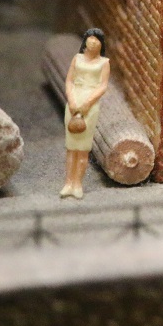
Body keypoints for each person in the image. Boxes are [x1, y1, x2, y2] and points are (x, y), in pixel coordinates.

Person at [61, 28, 110, 200]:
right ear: (85, 40)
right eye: (91, 38)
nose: (93, 42)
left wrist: (88, 103)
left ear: (101, 44)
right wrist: (72, 100)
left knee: (82, 150)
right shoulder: (77, 58)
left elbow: (103, 86)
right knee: (71, 148)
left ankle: (77, 184)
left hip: (90, 104)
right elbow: (69, 80)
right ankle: (68, 183)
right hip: (74, 101)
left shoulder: (104, 63)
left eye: (97, 39)